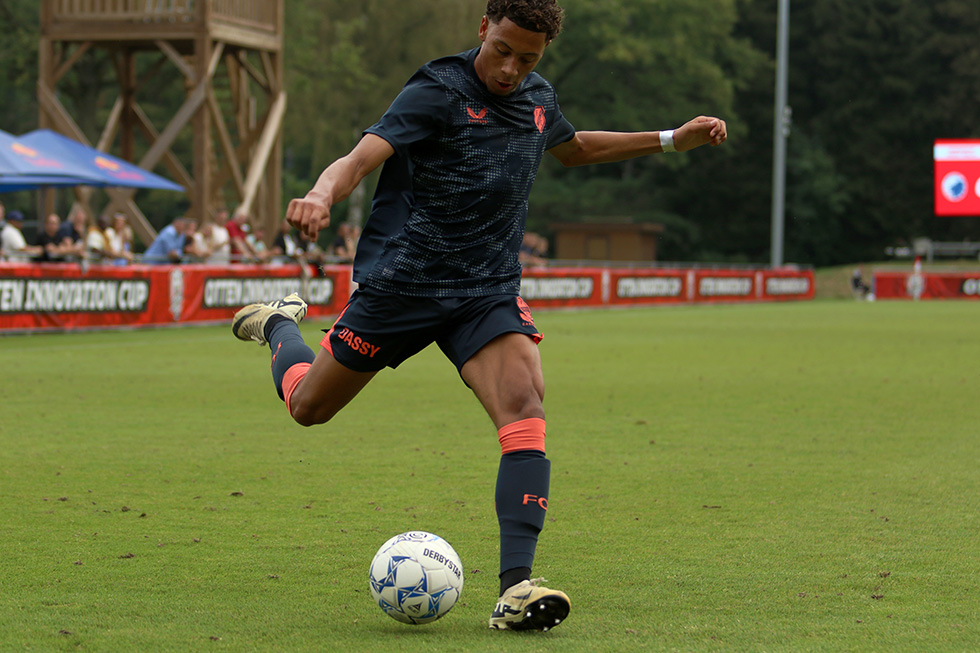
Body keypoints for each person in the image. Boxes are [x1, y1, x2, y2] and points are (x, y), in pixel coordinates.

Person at [232, 0, 726, 632]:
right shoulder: (436, 89)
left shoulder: (538, 98)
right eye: (503, 51)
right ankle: (278, 326)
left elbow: (572, 150)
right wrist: (321, 194)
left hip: (484, 292)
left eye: (528, 59)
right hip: (402, 286)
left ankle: (517, 588)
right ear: (482, 30)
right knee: (309, 408)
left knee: (525, 406)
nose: (511, 69)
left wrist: (668, 139)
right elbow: (361, 157)